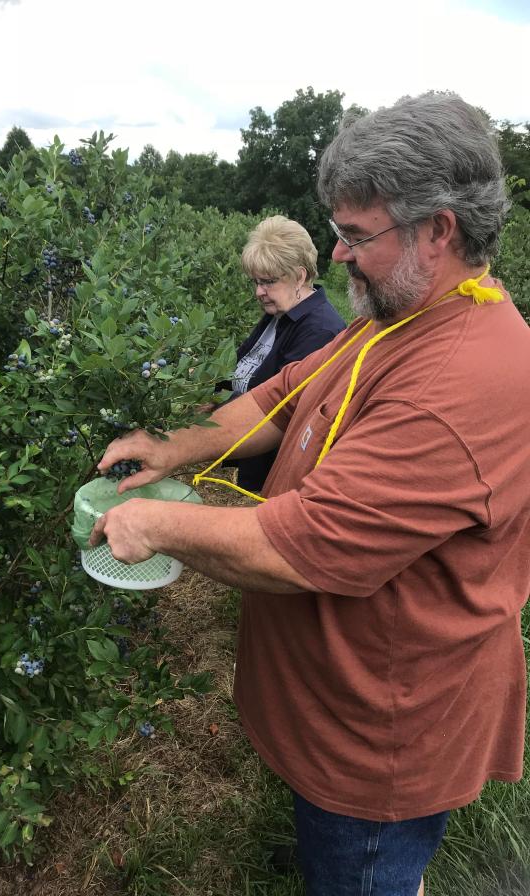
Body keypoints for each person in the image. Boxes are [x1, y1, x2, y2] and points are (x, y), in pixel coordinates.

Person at [89, 92, 530, 896]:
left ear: (439, 230)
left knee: (365, 876)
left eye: (356, 236)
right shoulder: (399, 316)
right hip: (336, 709)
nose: (336, 255)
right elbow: (283, 396)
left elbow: (305, 549)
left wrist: (156, 524)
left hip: (379, 745)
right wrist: (173, 447)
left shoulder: (461, 380)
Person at [222, 215, 345, 493]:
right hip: (246, 461)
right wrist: (210, 391)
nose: (259, 292)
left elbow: (281, 410)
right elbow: (245, 372)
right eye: (255, 281)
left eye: (267, 281)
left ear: (299, 276)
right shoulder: (278, 315)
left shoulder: (319, 331)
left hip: (273, 480)